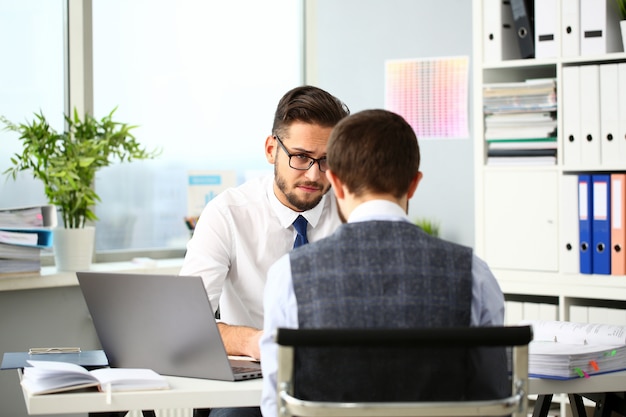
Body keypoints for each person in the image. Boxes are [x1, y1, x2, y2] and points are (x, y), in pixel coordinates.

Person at [259, 109, 507, 417]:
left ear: (335, 182)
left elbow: (276, 405)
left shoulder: (288, 275)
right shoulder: (473, 272)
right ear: (414, 183)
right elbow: (495, 399)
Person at [180, 85, 349, 417]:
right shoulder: (227, 213)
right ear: (272, 149)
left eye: (327, 160)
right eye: (301, 157)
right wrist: (256, 342)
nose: (314, 175)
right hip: (253, 389)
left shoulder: (350, 212)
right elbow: (187, 323)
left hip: (336, 381)